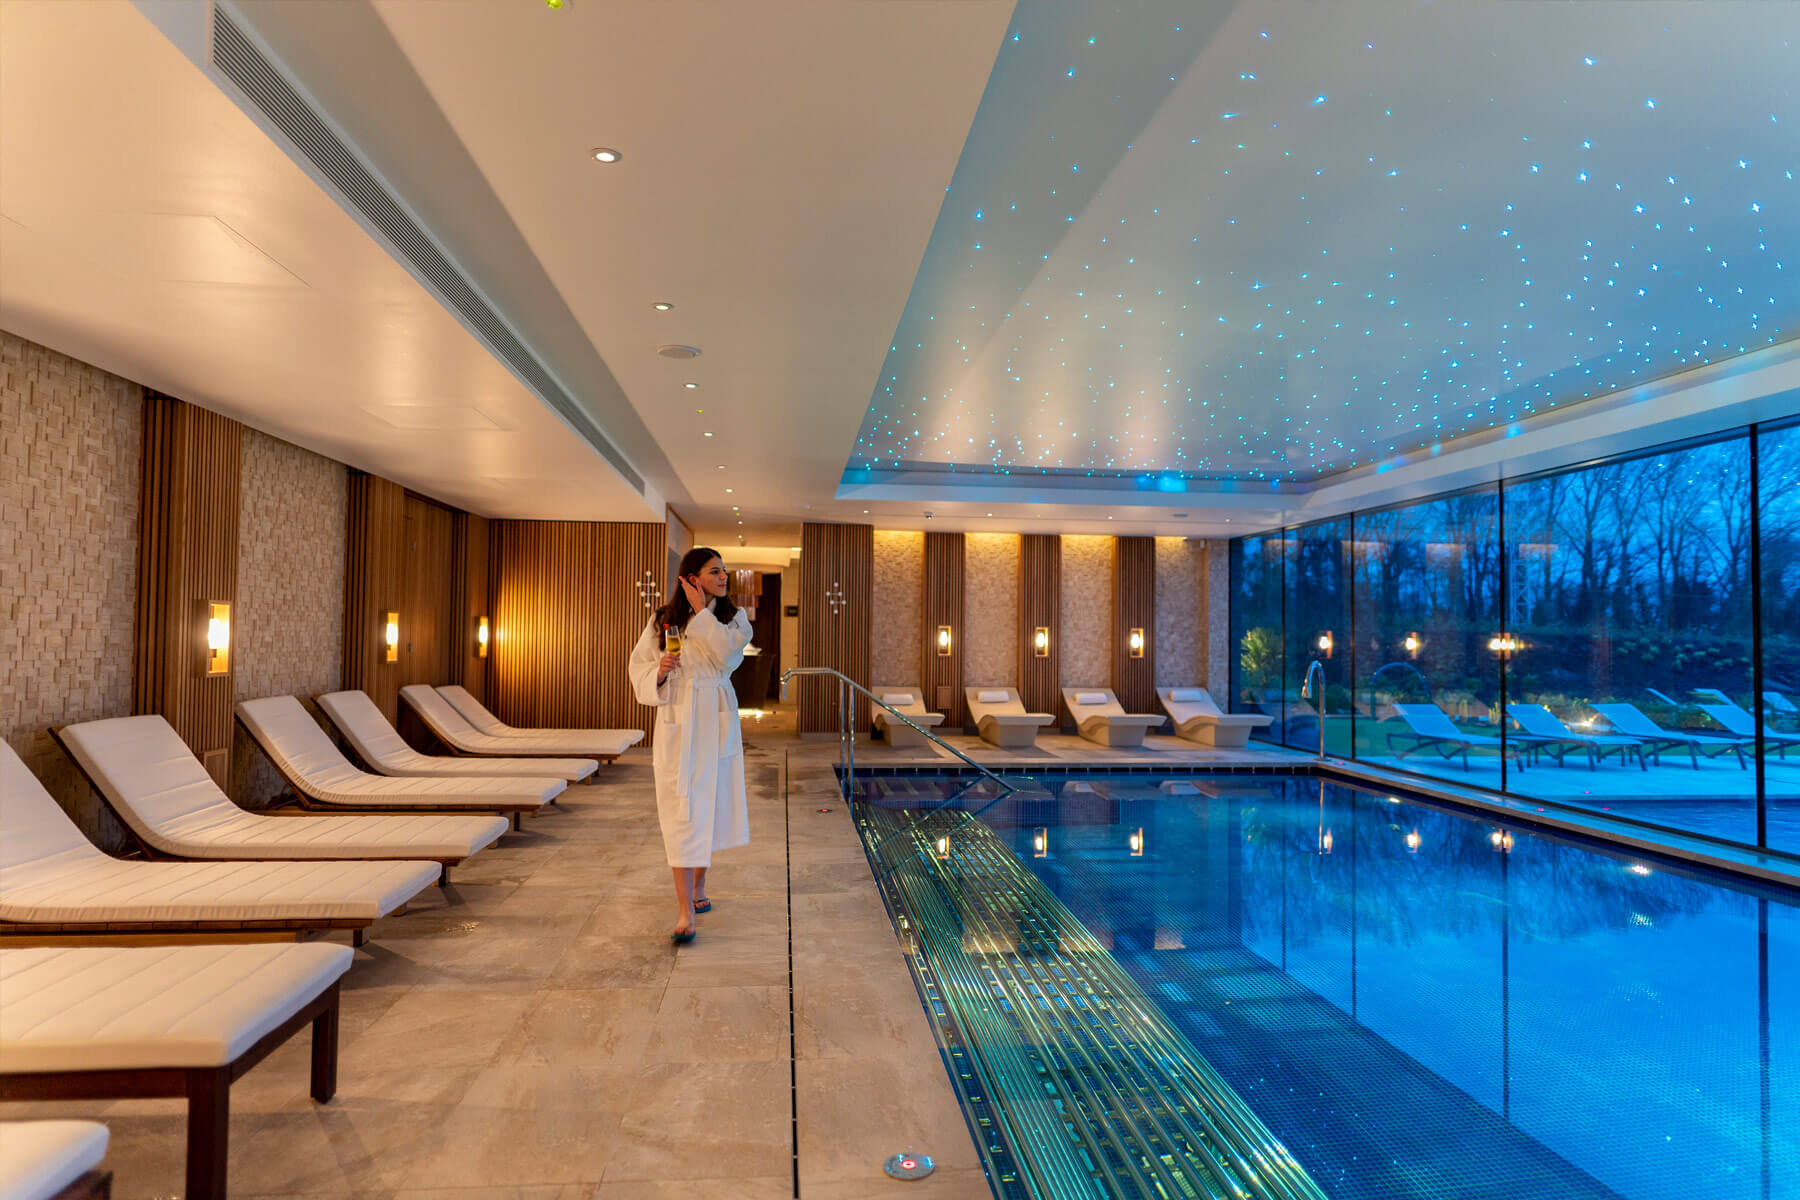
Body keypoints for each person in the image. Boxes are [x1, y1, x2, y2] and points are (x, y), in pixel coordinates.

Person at [627, 547, 754, 943]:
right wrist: (659, 673)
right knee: (680, 810)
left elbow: (727, 656)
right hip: (679, 721)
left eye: (725, 571)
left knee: (709, 808)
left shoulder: (736, 620)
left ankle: (699, 886)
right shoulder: (662, 620)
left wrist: (701, 613)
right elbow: (638, 667)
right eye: (715, 571)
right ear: (692, 577)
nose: (724, 577)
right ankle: (685, 911)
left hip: (714, 719)